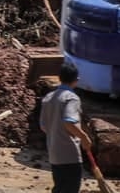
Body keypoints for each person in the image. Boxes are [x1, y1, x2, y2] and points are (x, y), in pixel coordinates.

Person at [40, 61, 93, 193]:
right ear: (76, 80)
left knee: (59, 188)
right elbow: (68, 122)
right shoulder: (71, 98)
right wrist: (84, 137)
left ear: (60, 78)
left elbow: (44, 127)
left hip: (54, 155)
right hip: (70, 155)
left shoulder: (48, 98)